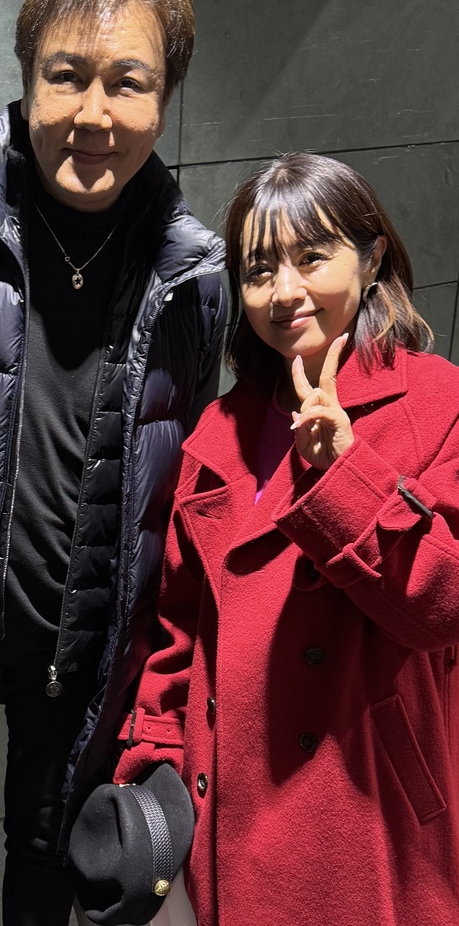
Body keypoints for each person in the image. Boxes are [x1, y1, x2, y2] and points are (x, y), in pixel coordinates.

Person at [0, 0, 226, 924]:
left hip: (86, 650)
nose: (92, 114)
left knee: (48, 857)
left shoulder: (194, 278)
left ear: (164, 95)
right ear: (27, 77)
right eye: (65, 76)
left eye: (128, 83)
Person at [112, 152, 459, 925]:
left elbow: (443, 604)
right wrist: (152, 764)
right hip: (232, 810)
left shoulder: (437, 403)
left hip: (369, 813)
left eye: (312, 258)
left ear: (371, 260)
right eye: (259, 269)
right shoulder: (219, 430)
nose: (284, 291)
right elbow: (179, 632)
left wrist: (344, 469)